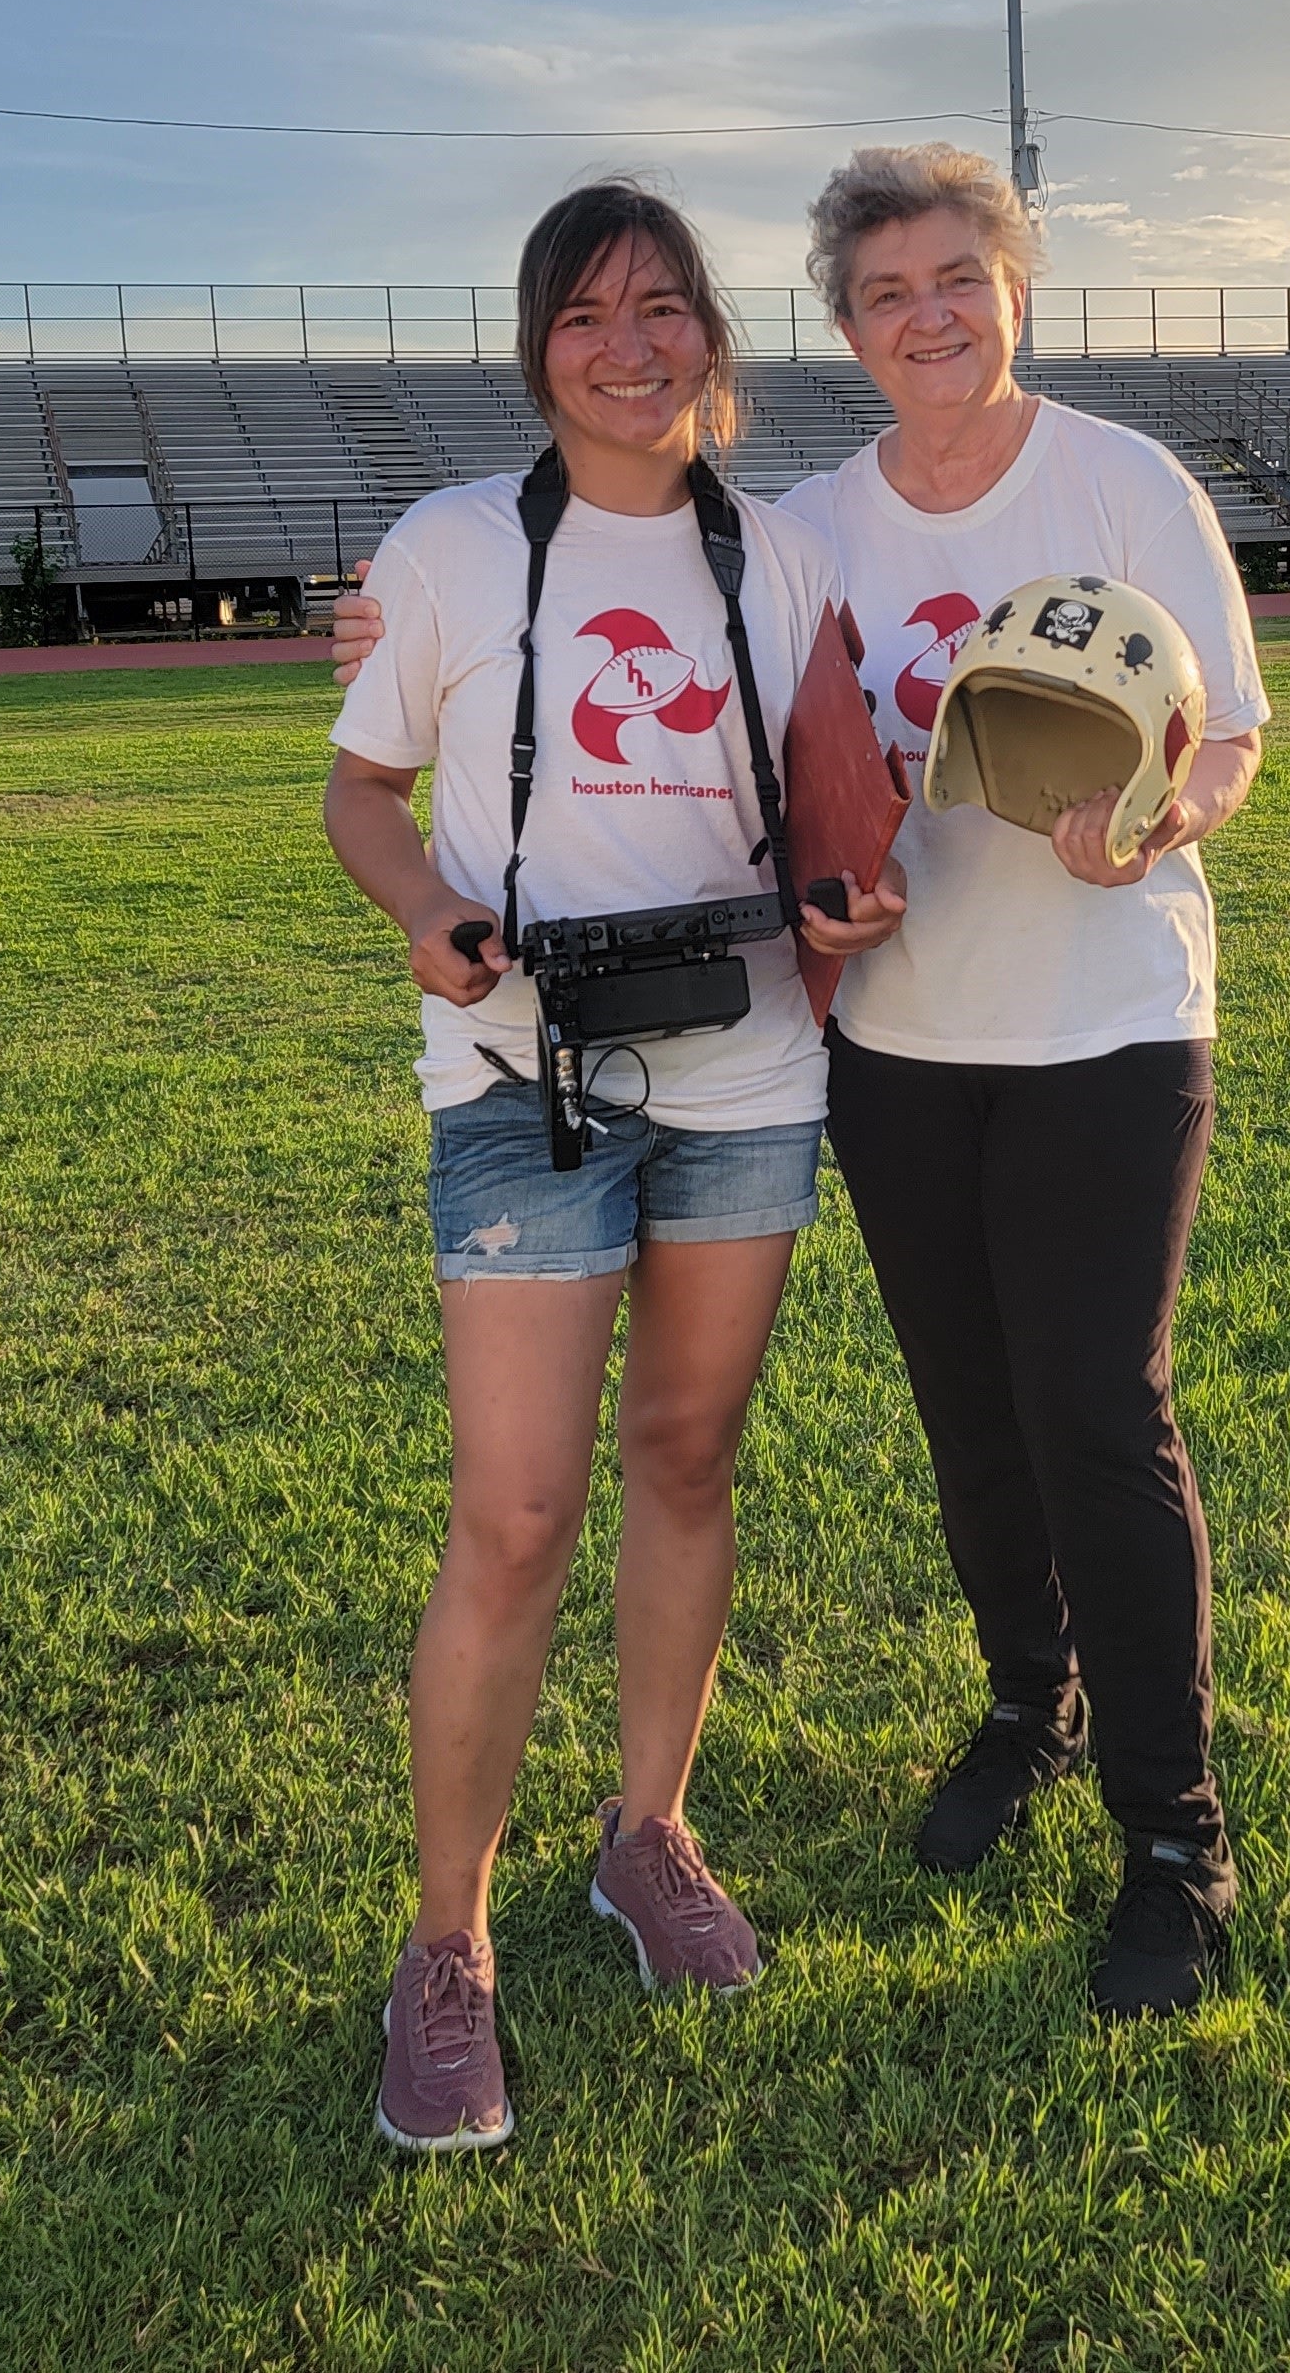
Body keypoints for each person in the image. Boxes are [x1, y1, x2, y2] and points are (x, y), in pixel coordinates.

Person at [341, 144, 1270, 2017]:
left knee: (1088, 1405)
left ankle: (1174, 1832)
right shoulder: (808, 528)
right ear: (843, 328)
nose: (926, 315)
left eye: (957, 279)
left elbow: (1229, 732)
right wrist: (380, 639)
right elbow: (773, 740)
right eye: (885, 291)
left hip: (1077, 1021)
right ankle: (1027, 1706)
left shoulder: (1111, 483)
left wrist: (1170, 811)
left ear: (1015, 285)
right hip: (885, 1042)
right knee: (958, 1417)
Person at [321, 179, 903, 2156]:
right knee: (510, 1515)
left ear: (710, 342)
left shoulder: (789, 553)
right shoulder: (450, 548)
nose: (628, 343)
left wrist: (847, 892)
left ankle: (645, 1831)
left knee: (685, 1454)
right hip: (518, 1074)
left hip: (747, 1071)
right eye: (585, 315)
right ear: (535, 350)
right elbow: (357, 787)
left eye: (663, 306)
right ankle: (447, 1948)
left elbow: (839, 786)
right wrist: (419, 909)